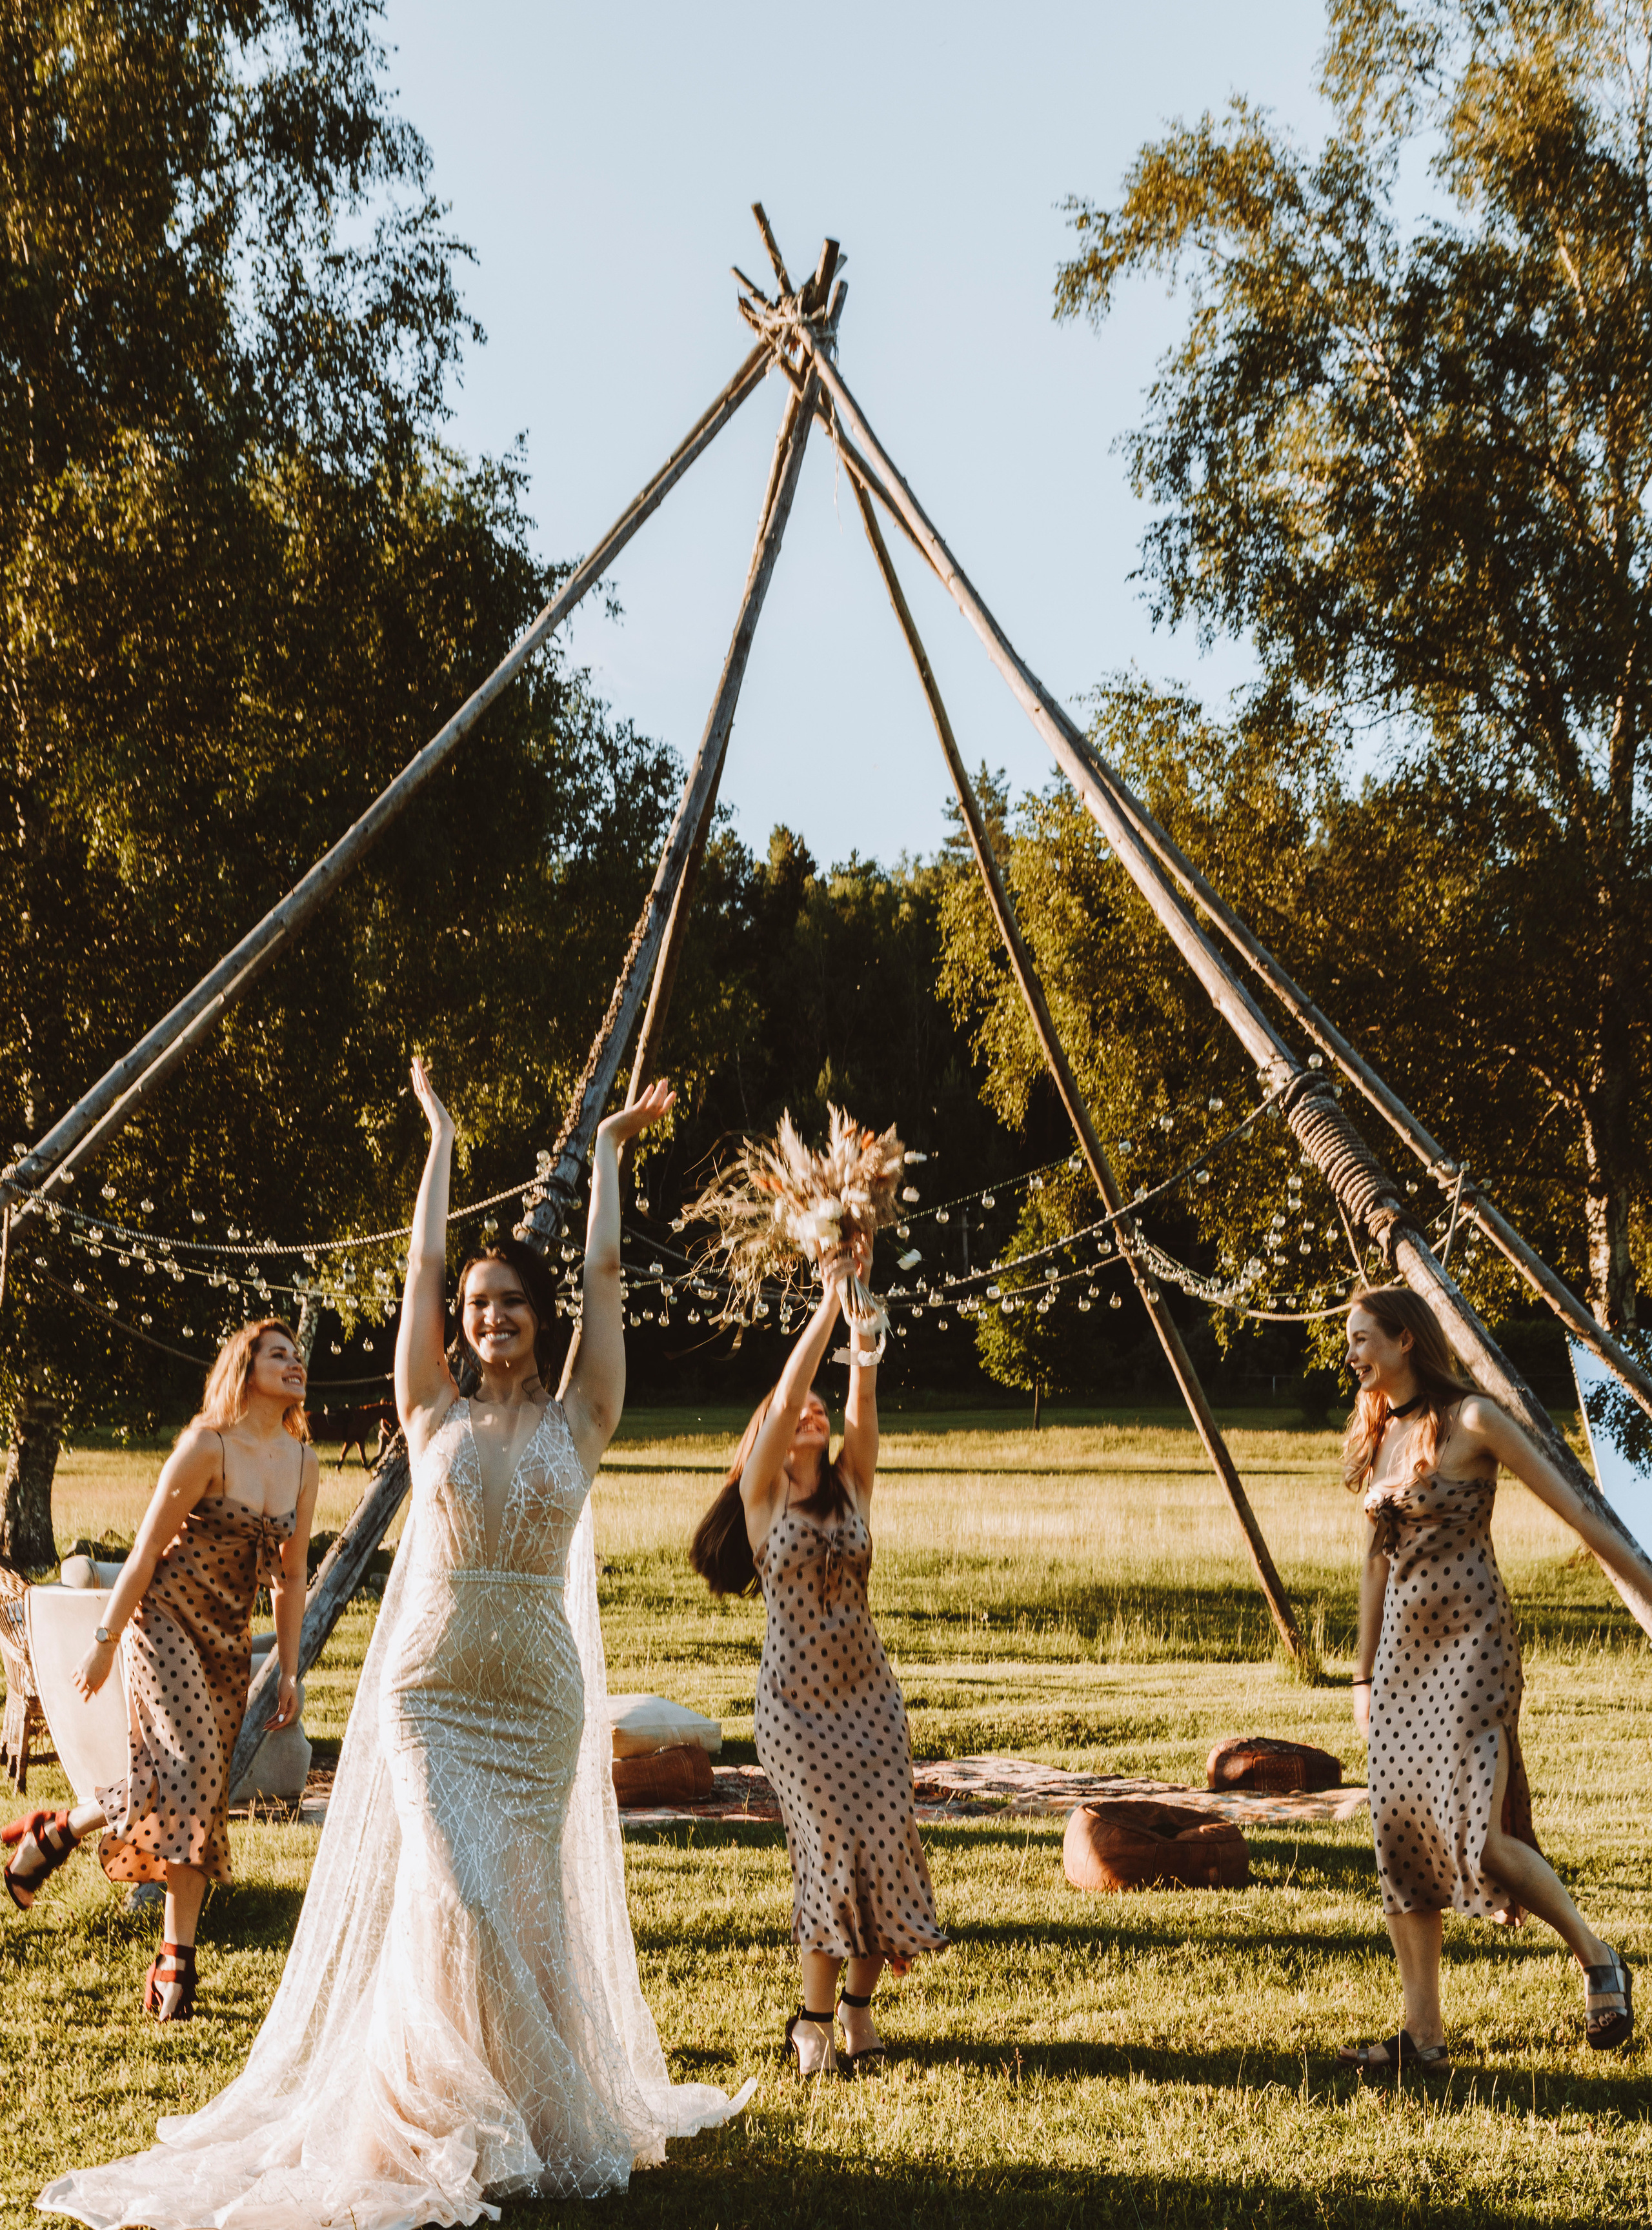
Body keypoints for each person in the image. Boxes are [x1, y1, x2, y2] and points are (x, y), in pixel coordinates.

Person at [39, 1066, 752, 2230]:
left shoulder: (586, 1415)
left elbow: (611, 1277)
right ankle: (427, 2110)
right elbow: (420, 1267)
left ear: (538, 1315)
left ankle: (523, 2107)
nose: (490, 1316)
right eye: (477, 1304)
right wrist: (441, 1138)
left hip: (536, 1701)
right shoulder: (431, 1407)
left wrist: (614, 1148)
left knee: (523, 1910)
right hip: (434, 1695)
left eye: (510, 1301)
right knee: (456, 1895)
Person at [1337, 1284, 1640, 2072]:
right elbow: (1374, 1564)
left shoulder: (1472, 1419)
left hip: (1473, 1645)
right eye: (1348, 1340)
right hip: (1402, 1656)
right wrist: (1362, 1676)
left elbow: (1574, 1509)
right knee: (1399, 1833)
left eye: (1364, 1338)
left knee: (1480, 1836)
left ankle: (1597, 1956)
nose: (1352, 1354)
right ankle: (1423, 2039)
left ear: (1406, 1340)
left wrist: (1643, 1580)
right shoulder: (1375, 1435)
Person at [3, 1318, 317, 2021]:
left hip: (225, 1641)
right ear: (244, 1366)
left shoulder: (302, 1462)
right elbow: (145, 1550)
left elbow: (290, 1578)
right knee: (200, 1772)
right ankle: (177, 1963)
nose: (294, 1363)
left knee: (179, 1786)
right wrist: (106, 1639)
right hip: (162, 1623)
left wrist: (290, 1670)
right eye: (277, 1354)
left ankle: (51, 1833)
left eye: (297, 1355)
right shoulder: (205, 1445)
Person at [689, 1230, 947, 2078]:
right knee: (831, 1851)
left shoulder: (851, 1484)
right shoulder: (764, 1497)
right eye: (795, 1409)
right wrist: (828, 1301)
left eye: (818, 1410)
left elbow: (861, 1391)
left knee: (885, 1850)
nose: (814, 1411)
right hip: (795, 1712)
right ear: (768, 1427)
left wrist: (862, 1303)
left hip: (871, 1700)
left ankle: (860, 2019)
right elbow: (798, 1382)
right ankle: (809, 2022)